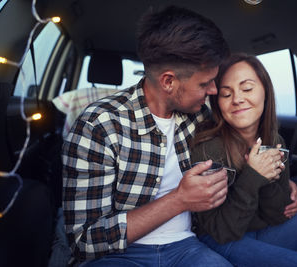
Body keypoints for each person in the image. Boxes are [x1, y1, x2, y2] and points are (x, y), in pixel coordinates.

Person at [62, 6, 233, 266]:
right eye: (204, 83)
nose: (213, 90)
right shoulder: (99, 126)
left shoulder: (200, 118)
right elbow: (84, 240)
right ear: (168, 82)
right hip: (119, 254)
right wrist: (179, 199)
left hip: (187, 247)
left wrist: (277, 180)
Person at [190, 53, 297, 267]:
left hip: (262, 231)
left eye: (247, 89)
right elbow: (222, 231)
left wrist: (273, 180)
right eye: (226, 94)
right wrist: (253, 176)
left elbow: (276, 216)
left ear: (265, 91)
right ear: (218, 104)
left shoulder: (274, 141)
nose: (237, 99)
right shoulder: (209, 147)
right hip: (222, 240)